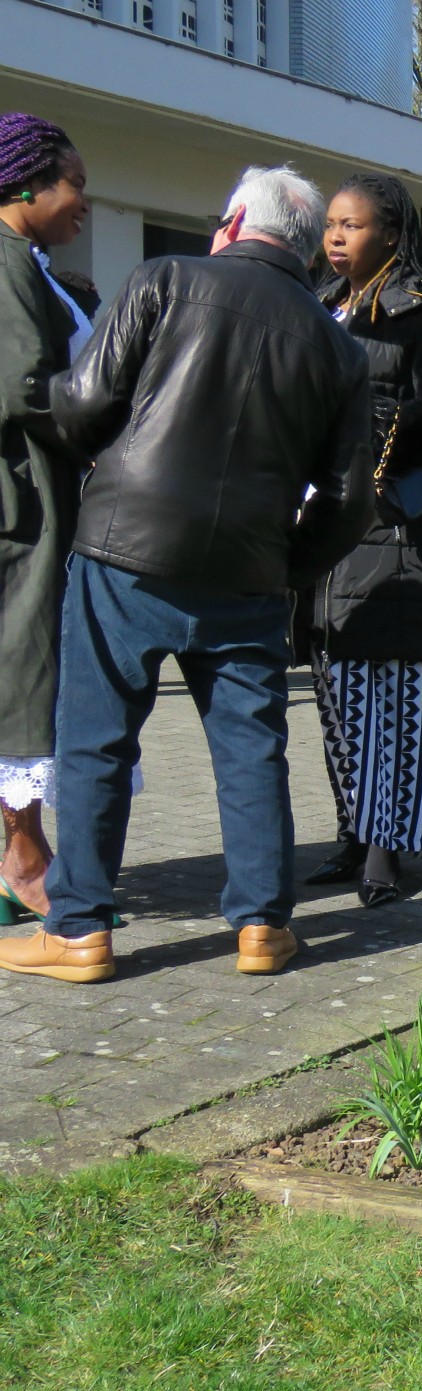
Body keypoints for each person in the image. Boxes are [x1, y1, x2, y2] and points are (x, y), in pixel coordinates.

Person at [0, 166, 372, 985]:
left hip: (123, 551)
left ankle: (80, 933)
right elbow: (350, 500)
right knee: (251, 749)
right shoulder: (340, 347)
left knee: (97, 743)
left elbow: (84, 404)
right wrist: (284, 563)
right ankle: (263, 928)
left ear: (236, 219)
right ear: (305, 248)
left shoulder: (163, 280)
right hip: (248, 570)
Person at [300, 172, 422, 909]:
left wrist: (370, 437)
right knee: (338, 688)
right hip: (329, 531)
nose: (336, 237)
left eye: (353, 225)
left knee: (395, 695)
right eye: (331, 224)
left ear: (392, 234)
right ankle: (353, 830)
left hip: (399, 531)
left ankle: (389, 846)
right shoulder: (320, 307)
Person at [0, 114, 89, 923]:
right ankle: (23, 859)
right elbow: (25, 384)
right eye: (74, 187)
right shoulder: (5, 266)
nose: (83, 207)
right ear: (27, 186)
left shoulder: (25, 263)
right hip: (19, 504)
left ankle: (20, 854)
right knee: (20, 675)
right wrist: (96, 424)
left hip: (27, 497)